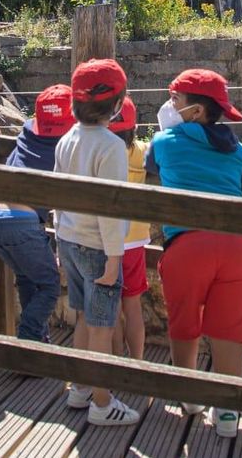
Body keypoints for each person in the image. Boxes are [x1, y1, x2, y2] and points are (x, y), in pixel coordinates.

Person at [146, 68, 242, 438]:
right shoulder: (241, 153)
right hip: (238, 248)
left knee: (185, 321)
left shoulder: (163, 143)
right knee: (229, 330)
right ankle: (228, 411)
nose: (171, 106)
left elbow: (152, 181)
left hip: (187, 246)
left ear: (196, 111)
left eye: (176, 101)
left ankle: (189, 394)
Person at [55, 59, 140, 426]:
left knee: (83, 321)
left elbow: (58, 192)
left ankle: (79, 387)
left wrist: (59, 237)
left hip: (69, 239)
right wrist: (115, 257)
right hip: (98, 246)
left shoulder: (66, 139)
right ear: (117, 103)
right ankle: (103, 404)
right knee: (103, 326)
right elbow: (111, 206)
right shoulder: (110, 147)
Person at [0, 84, 73, 341]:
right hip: (23, 223)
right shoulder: (67, 142)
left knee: (27, 278)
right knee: (49, 285)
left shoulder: (28, 131)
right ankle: (28, 338)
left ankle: (37, 342)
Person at [108, 95, 148, 360]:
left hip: (105, 240)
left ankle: (114, 360)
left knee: (109, 306)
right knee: (132, 303)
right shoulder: (141, 151)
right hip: (134, 239)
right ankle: (138, 361)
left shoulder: (101, 149)